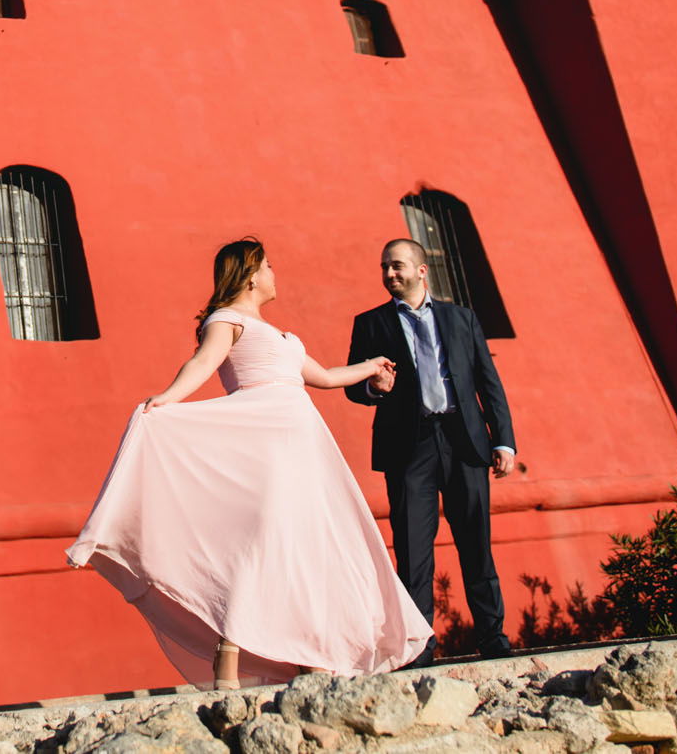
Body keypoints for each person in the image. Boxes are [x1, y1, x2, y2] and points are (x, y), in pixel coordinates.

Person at [67, 238, 432, 689]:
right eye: (269, 266)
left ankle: (314, 652)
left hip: (305, 448)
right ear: (252, 275)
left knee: (305, 544)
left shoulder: (287, 339)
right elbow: (202, 362)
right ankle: (230, 651)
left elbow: (326, 377)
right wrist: (166, 399)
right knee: (263, 539)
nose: (275, 273)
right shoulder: (227, 320)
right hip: (263, 442)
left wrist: (372, 367)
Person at [345, 237, 518, 663]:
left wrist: (503, 439)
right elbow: (354, 387)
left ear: (422, 270)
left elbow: (487, 380)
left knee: (476, 546)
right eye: (385, 267)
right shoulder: (371, 323)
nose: (389, 274)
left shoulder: (462, 320)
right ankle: (419, 647)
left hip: (465, 442)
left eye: (398, 266)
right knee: (413, 553)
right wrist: (372, 387)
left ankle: (493, 639)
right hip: (409, 448)